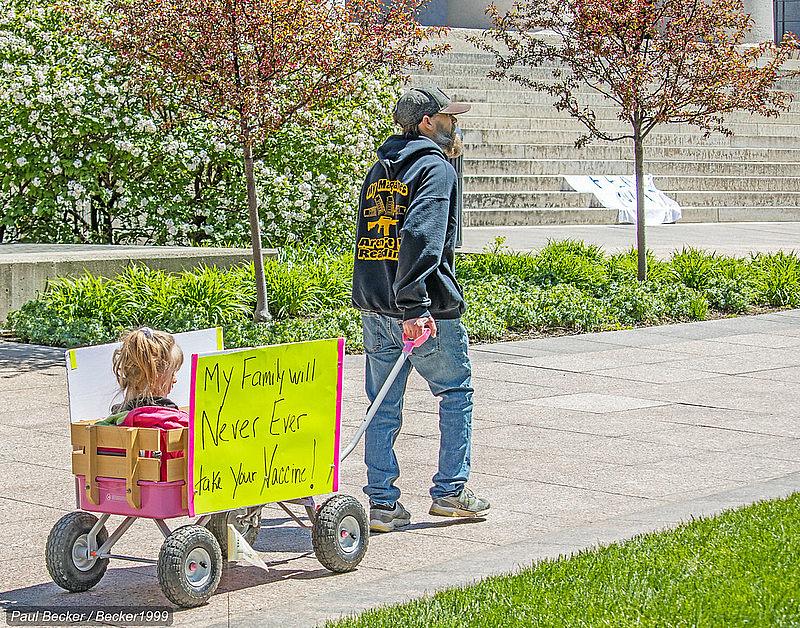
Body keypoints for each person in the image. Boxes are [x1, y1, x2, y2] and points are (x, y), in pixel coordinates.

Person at [351, 86, 490, 533]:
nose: (456, 124)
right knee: (456, 392)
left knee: (383, 404)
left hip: (375, 304)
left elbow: (373, 237)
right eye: (449, 117)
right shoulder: (435, 168)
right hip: (422, 308)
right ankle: (451, 491)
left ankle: (383, 504)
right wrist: (415, 307)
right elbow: (420, 236)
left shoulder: (379, 168)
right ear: (428, 123)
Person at [97, 327, 188, 480]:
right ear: (155, 376)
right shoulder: (172, 423)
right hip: (168, 498)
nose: (175, 379)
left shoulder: (114, 421)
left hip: (115, 495)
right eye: (173, 373)